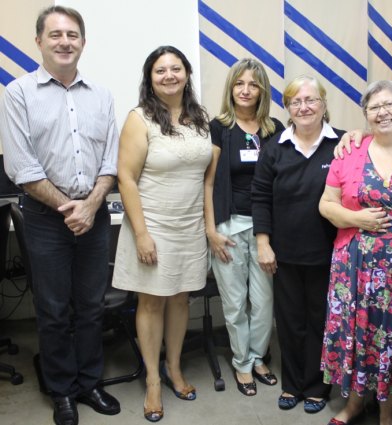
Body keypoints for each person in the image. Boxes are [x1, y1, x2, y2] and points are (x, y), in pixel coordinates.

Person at [0, 6, 120, 425]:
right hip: (45, 219)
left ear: (83, 42)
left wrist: (91, 204)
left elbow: (110, 160)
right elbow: (22, 166)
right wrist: (70, 208)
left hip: (94, 214)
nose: (65, 42)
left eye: (72, 35)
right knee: (53, 310)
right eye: (55, 35)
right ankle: (62, 390)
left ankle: (89, 383)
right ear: (39, 41)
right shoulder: (18, 93)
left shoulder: (102, 95)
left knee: (90, 306)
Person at [111, 46, 211, 422]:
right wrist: (141, 234)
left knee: (181, 299)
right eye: (160, 70)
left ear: (186, 74)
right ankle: (153, 380)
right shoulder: (139, 118)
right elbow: (126, 178)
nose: (169, 75)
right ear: (150, 79)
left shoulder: (200, 118)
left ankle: (174, 367)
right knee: (151, 303)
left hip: (189, 227)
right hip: (152, 225)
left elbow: (206, 176)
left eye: (176, 68)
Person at [320, 80, 392, 425]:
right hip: (356, 267)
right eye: (374, 107)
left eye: (390, 104)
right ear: (365, 115)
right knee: (357, 335)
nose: (383, 112)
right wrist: (356, 218)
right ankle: (354, 403)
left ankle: (388, 411)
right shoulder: (350, 152)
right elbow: (326, 204)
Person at [251, 75, 345, 414]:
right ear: (288, 108)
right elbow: (260, 197)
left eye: (311, 100)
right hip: (285, 254)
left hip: (329, 252)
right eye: (296, 102)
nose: (304, 107)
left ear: (323, 103)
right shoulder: (275, 148)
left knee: (321, 321)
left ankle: (318, 387)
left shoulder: (343, 144)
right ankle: (292, 384)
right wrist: (263, 243)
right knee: (290, 322)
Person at [204, 58, 284, 397]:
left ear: (262, 90)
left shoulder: (274, 129)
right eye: (240, 83)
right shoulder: (219, 127)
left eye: (253, 84)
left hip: (266, 230)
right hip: (229, 226)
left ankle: (258, 357)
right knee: (235, 303)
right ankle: (242, 363)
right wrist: (211, 231)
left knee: (264, 303)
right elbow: (208, 183)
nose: (246, 90)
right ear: (231, 87)